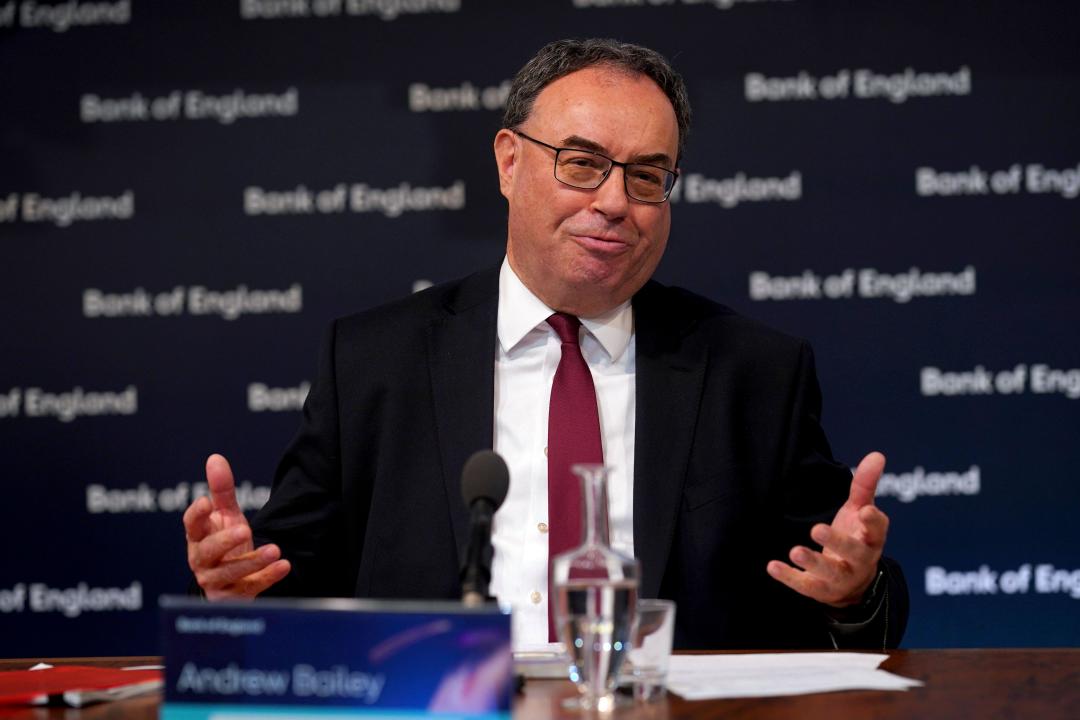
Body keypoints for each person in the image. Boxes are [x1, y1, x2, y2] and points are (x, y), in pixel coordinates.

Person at [184, 38, 908, 650]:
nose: (615, 201)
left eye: (648, 176)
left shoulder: (755, 374)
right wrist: (239, 589)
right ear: (508, 161)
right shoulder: (375, 361)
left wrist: (853, 591)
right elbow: (287, 583)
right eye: (582, 163)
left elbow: (849, 596)